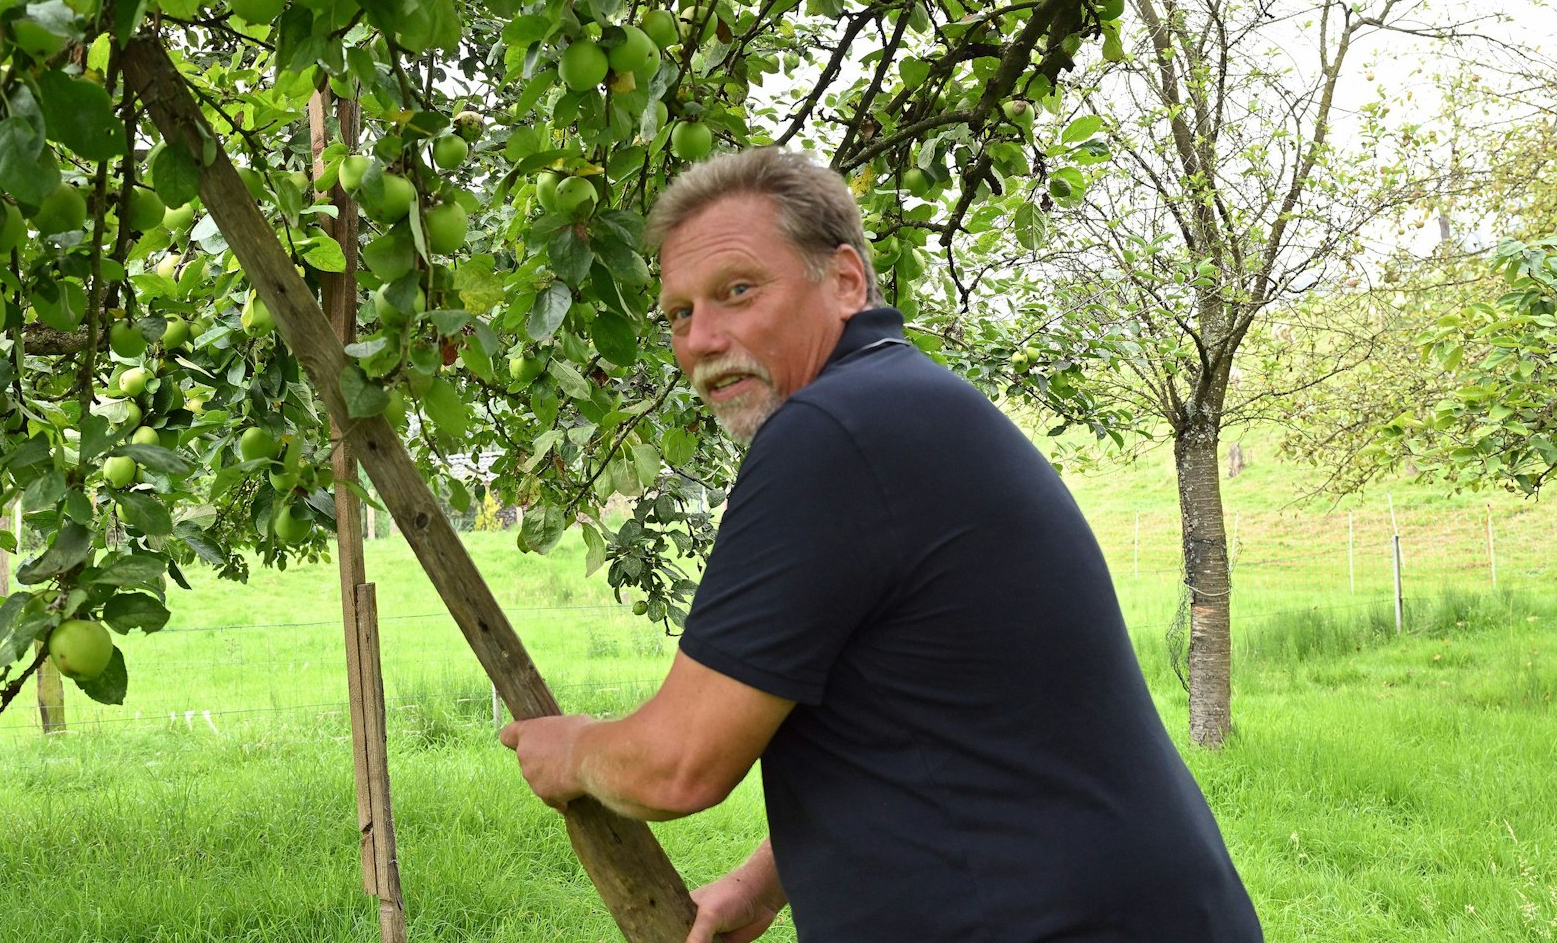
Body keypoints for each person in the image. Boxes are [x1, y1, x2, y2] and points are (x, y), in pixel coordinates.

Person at [499, 148, 1262, 942]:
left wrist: (577, 750)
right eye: (678, 314)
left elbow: (680, 763)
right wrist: (767, 884)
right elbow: (937, 719)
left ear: (846, 281)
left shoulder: (830, 435)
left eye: (736, 291)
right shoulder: (898, 406)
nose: (701, 337)